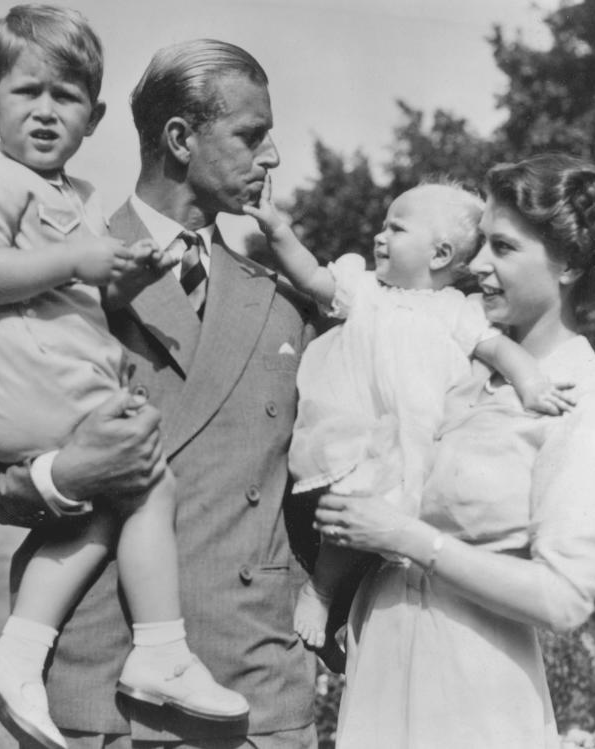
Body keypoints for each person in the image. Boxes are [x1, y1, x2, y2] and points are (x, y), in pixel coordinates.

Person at [0, 36, 320, 749]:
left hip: (253, 693)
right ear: (180, 138)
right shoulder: (50, 264)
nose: (272, 156)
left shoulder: (282, 299)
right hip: (102, 694)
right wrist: (63, 475)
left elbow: (319, 477)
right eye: (252, 135)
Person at [311, 153, 595, 748]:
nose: (477, 263)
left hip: (474, 694)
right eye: (480, 244)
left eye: (504, 248)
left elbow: (563, 598)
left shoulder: (592, 399)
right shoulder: (454, 367)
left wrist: (407, 539)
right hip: (381, 669)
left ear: (568, 263)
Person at [244, 178, 575, 650]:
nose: (379, 237)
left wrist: (532, 382)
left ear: (439, 254)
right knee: (352, 506)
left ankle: (348, 616)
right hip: (357, 429)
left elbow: (501, 350)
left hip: (416, 441)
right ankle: (319, 589)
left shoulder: (458, 312)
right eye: (382, 226)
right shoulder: (364, 290)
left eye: (395, 228)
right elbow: (311, 276)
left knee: (389, 532)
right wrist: (277, 228)